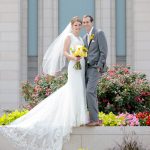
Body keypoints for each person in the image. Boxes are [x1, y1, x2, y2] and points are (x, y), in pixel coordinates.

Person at [0, 16, 89, 150]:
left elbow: (84, 52)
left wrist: (81, 57)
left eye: (79, 25)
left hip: (80, 67)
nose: (77, 27)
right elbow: (64, 52)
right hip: (73, 65)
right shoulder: (69, 37)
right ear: (72, 26)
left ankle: (78, 118)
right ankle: (72, 117)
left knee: (79, 89)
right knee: (72, 89)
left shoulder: (81, 39)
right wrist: (73, 57)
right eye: (75, 25)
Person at [82, 15, 108, 126]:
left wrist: (100, 66)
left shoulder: (99, 33)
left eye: (87, 22)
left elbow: (104, 50)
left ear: (92, 22)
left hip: (95, 68)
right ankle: (96, 118)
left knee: (89, 92)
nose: (85, 24)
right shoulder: (84, 37)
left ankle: (94, 120)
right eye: (84, 22)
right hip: (86, 69)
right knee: (91, 93)